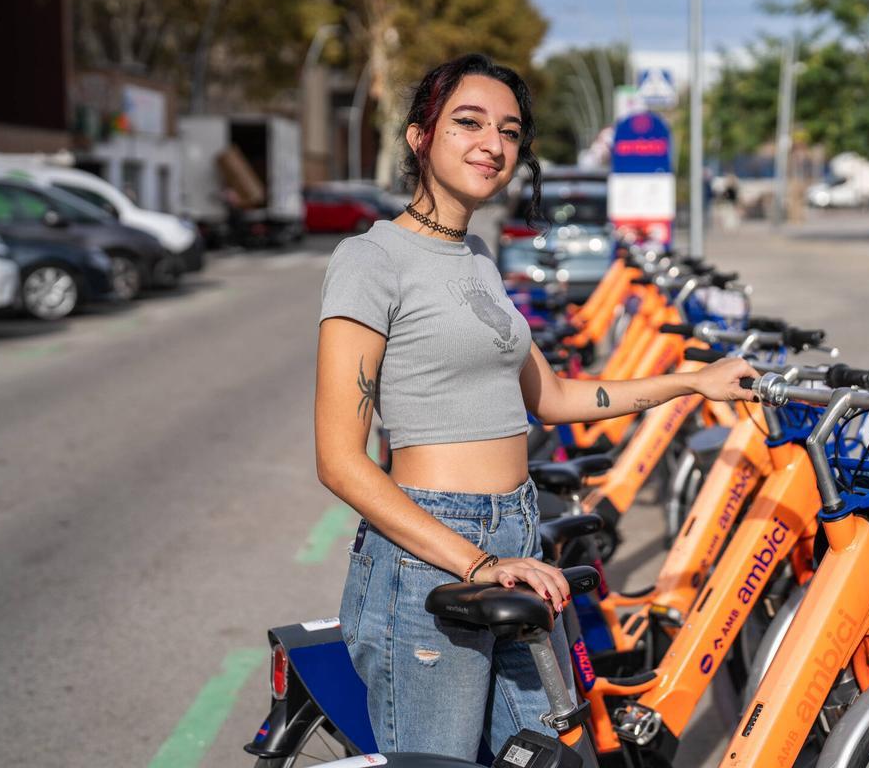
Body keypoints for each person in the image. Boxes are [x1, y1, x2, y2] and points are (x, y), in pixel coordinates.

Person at [313, 53, 757, 760]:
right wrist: (476, 564)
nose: (493, 143)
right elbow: (340, 461)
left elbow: (550, 398)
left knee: (551, 754)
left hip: (517, 536)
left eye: (510, 130)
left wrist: (690, 382)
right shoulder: (372, 260)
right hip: (431, 554)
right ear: (419, 136)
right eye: (468, 122)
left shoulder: (479, 256)